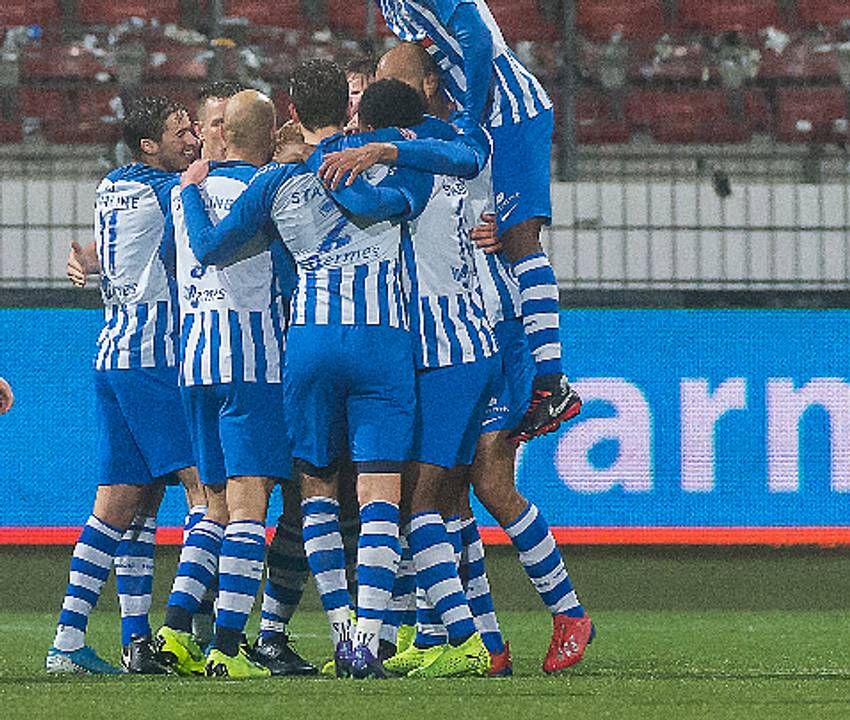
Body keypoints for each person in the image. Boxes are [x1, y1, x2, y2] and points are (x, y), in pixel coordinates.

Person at [179, 58, 488, 679]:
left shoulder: (276, 180)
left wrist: (189, 192)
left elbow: (212, 249)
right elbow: (430, 181)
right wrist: (378, 158)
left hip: (309, 344)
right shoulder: (385, 158)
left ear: (292, 112)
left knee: (315, 493)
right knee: (380, 495)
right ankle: (367, 642)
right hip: (384, 342)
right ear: (347, 111)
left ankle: (341, 627)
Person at [320, 42, 593, 675]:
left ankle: (516, 630)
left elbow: (511, 223)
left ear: (423, 84)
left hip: (482, 341)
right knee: (458, 499)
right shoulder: (429, 149)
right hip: (456, 342)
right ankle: (481, 639)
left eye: (385, 84)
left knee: (453, 495)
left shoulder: (461, 143)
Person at [46, 96, 203, 675]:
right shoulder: (170, 192)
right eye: (179, 132)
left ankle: (89, 639)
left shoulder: (114, 184)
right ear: (149, 147)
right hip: (154, 358)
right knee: (207, 493)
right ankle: (180, 629)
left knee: (127, 503)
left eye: (194, 128)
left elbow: (123, 248)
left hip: (113, 350)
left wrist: (88, 257)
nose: (191, 140)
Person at [379, 0, 582, 442]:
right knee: (508, 238)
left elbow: (474, 32)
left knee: (522, 241)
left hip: (509, 109)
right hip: (490, 116)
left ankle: (551, 381)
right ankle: (547, 380)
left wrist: (470, 112)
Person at [167, 89, 305, 679]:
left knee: (211, 509)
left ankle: (173, 632)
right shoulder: (269, 193)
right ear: (270, 138)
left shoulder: (184, 191)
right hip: (252, 367)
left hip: (194, 362)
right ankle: (226, 649)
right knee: (251, 512)